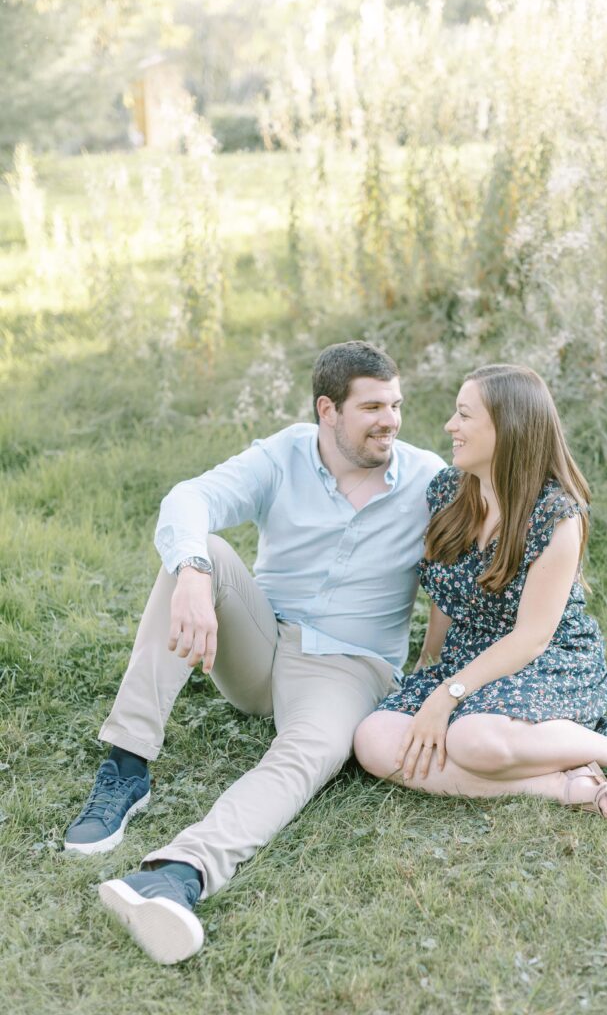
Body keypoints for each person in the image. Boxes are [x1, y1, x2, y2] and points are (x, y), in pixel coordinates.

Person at [64, 340, 444, 964]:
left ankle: (177, 875)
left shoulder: (428, 479)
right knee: (204, 553)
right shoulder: (284, 455)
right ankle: (127, 767)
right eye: (373, 407)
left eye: (396, 405)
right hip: (261, 643)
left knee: (305, 756)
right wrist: (192, 572)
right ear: (328, 410)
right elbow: (190, 498)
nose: (391, 421)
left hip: (348, 668)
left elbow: (479, 561)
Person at [354, 364, 607, 819]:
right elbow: (445, 592)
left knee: (471, 739)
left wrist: (446, 696)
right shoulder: (447, 492)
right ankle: (558, 785)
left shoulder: (556, 516)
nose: (450, 426)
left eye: (464, 415)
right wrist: (429, 664)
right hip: (468, 656)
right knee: (374, 739)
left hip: (547, 658)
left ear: (508, 427)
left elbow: (532, 638)